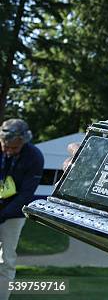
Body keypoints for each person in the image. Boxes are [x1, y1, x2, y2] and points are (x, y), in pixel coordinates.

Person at [0, 119, 44, 299]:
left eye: (14, 148)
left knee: (5, 260)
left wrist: (3, 214)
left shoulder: (34, 157)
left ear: (24, 141)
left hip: (14, 213)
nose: (9, 151)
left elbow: (26, 195)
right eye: (5, 146)